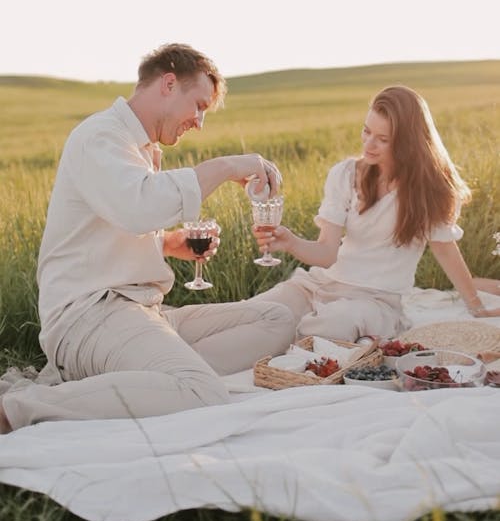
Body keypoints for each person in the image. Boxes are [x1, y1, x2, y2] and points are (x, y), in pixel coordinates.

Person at [0, 43, 295, 434]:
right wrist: (225, 166)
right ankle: (17, 410)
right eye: (200, 106)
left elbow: (120, 227)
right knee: (202, 391)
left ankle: (152, 373)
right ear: (169, 84)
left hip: (143, 312)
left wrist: (169, 244)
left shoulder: (143, 148)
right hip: (88, 317)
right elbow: (138, 207)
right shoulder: (100, 137)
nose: (200, 122)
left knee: (277, 319)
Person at [252, 84, 500, 343]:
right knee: (259, 311)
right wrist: (291, 242)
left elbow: (445, 249)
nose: (369, 145)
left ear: (407, 144)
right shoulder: (346, 174)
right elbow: (326, 254)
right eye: (367, 131)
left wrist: (475, 305)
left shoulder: (431, 190)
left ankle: (285, 356)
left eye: (383, 139)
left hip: (376, 302)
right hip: (321, 284)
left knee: (329, 325)